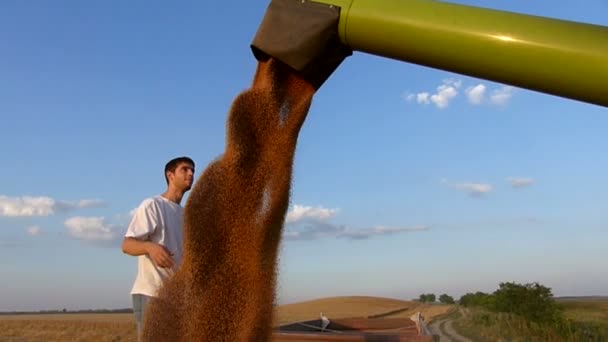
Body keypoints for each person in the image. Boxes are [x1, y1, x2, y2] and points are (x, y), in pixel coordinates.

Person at [121, 156, 195, 341]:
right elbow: (127, 244)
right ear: (170, 175)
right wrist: (149, 247)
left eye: (192, 170)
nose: (191, 173)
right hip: (152, 295)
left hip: (177, 298)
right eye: (185, 169)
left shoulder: (186, 215)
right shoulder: (153, 205)